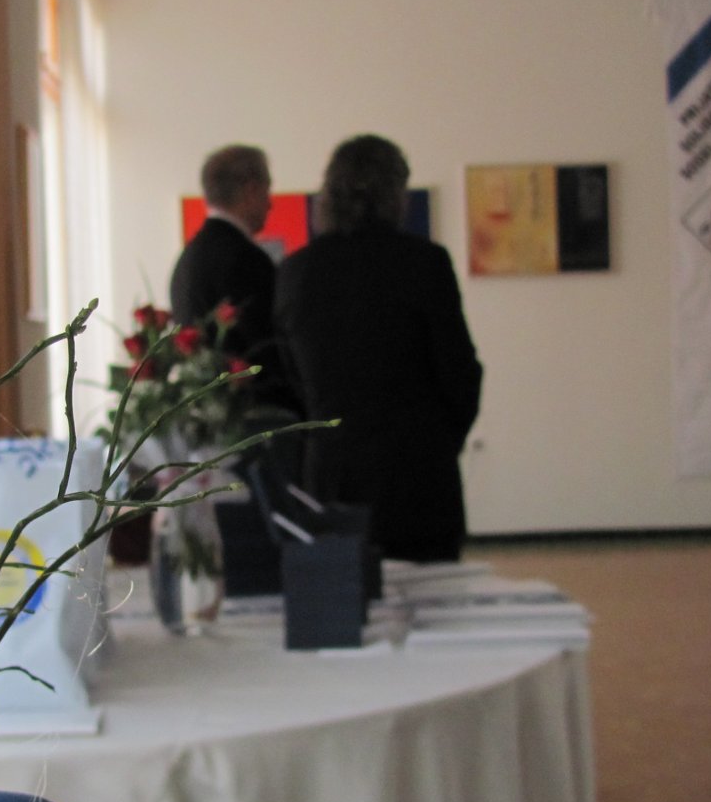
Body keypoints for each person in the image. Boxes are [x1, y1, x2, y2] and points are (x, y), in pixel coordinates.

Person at [274, 134, 483, 563]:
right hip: (420, 479)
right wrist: (441, 441)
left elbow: (291, 377)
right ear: (395, 194)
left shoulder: (296, 272)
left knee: (340, 598)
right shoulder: (425, 263)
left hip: (332, 479)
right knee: (434, 598)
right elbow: (461, 373)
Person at [169, 144, 292, 408]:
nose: (270, 204)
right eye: (267, 191)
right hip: (256, 415)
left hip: (206, 414)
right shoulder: (246, 259)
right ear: (251, 190)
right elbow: (271, 351)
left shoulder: (186, 260)